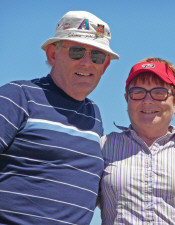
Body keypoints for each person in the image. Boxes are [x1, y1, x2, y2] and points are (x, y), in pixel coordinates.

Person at [0, 11, 119, 224]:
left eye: (97, 56)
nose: (87, 62)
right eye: (76, 51)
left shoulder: (94, 116)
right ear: (52, 54)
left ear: (106, 65)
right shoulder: (17, 96)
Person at [99, 57, 175, 225]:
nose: (148, 100)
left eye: (159, 93)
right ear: (127, 99)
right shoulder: (103, 147)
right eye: (138, 92)